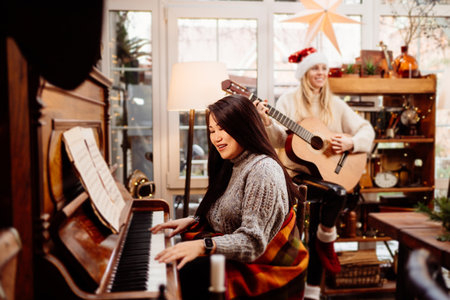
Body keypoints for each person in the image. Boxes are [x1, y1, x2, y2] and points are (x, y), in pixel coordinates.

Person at [151, 95, 309, 300]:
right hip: (242, 260)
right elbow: (229, 212)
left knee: (179, 273)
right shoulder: (233, 163)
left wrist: (202, 245)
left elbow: (252, 242)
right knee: (174, 266)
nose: (216, 138)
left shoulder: (262, 170)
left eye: (223, 129)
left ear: (244, 127)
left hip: (263, 271)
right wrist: (193, 221)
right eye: (212, 131)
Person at [254, 47, 375, 300]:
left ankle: (313, 286)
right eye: (315, 68)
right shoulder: (288, 100)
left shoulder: (335, 104)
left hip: (328, 174)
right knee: (310, 231)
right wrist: (266, 122)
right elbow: (278, 140)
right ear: (305, 72)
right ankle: (307, 281)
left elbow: (366, 130)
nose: (321, 73)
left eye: (323, 68)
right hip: (297, 175)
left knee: (334, 200)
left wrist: (352, 143)